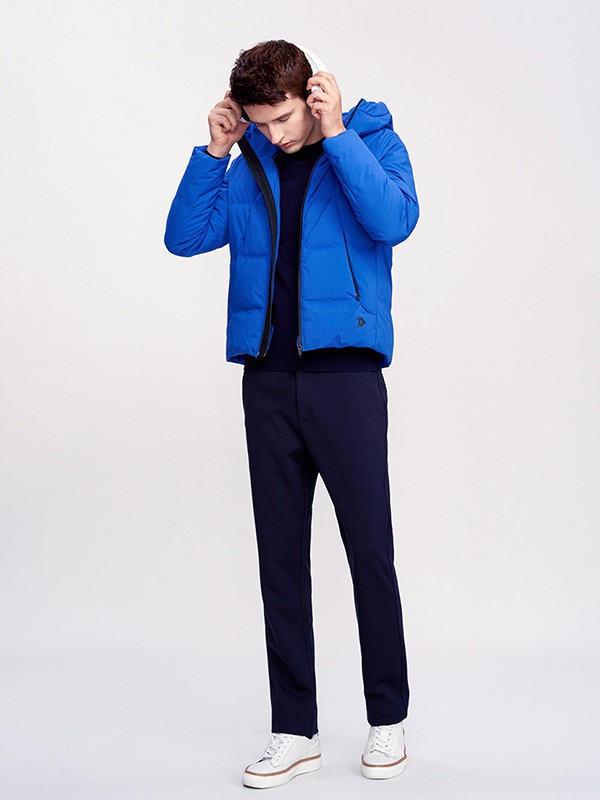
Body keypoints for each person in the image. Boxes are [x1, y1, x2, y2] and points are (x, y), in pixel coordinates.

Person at [164, 39, 420, 789]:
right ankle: (294, 731)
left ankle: (387, 720)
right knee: (279, 561)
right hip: (268, 381)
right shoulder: (248, 162)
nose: (273, 135)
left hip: (345, 377)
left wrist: (335, 133)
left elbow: (395, 221)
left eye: (281, 118)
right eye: (259, 122)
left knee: (369, 550)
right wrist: (216, 151)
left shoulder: (369, 139)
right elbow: (184, 238)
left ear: (311, 94)